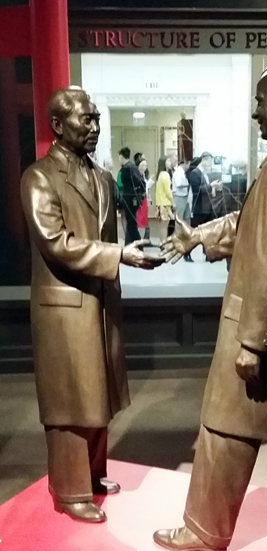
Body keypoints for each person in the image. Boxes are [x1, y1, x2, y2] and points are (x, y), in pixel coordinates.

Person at [154, 60, 267, 551]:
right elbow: (257, 222)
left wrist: (252, 343)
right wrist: (200, 234)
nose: (256, 112)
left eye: (261, 102)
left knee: (224, 428)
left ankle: (204, 530)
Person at [20, 87, 163, 524]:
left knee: (98, 393)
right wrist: (119, 255)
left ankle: (92, 472)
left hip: (99, 301)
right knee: (69, 403)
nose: (94, 126)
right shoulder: (38, 178)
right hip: (64, 308)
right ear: (58, 126)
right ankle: (68, 489)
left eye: (97, 118)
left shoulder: (101, 177)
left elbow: (102, 237)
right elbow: (56, 243)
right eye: (86, 119)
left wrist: (124, 251)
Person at [118, 146, 146, 245]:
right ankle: (129, 244)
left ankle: (138, 244)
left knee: (131, 224)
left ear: (121, 157)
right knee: (131, 223)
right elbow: (142, 183)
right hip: (134, 199)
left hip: (129, 200)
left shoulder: (126, 169)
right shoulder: (133, 167)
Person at [189, 151, 222, 228]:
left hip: (206, 207)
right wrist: (211, 186)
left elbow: (206, 187)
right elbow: (197, 190)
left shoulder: (204, 173)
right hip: (199, 208)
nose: (210, 164)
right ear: (203, 160)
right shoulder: (195, 173)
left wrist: (214, 187)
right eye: (209, 162)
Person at [172, 158, 193, 262]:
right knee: (179, 221)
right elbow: (180, 185)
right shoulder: (178, 172)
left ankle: (185, 242)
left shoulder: (182, 172)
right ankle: (177, 244)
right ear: (186, 163)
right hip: (179, 197)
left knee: (186, 220)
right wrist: (189, 183)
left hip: (185, 197)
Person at [155, 155, 174, 243]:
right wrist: (173, 202)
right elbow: (168, 192)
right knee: (165, 226)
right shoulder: (166, 175)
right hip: (165, 204)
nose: (170, 163)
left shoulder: (160, 174)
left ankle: (162, 242)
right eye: (168, 161)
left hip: (159, 204)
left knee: (161, 226)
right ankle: (164, 243)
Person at [137, 157, 154, 238]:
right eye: (142, 165)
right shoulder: (136, 175)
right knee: (139, 222)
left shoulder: (143, 175)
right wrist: (149, 183)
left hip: (144, 200)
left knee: (143, 222)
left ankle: (142, 241)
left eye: (145, 165)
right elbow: (142, 188)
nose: (144, 167)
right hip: (138, 201)